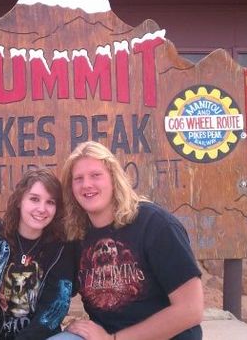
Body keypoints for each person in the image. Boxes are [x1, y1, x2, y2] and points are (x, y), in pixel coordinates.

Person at [52, 141, 203, 340]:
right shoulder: (77, 234)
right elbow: (50, 283)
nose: (86, 184)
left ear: (114, 178)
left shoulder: (156, 225)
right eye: (78, 179)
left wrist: (114, 339)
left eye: (96, 175)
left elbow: (190, 310)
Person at [0, 168, 76, 340]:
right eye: (34, 199)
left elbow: (54, 308)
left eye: (50, 202)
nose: (42, 209)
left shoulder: (62, 247)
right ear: (20, 200)